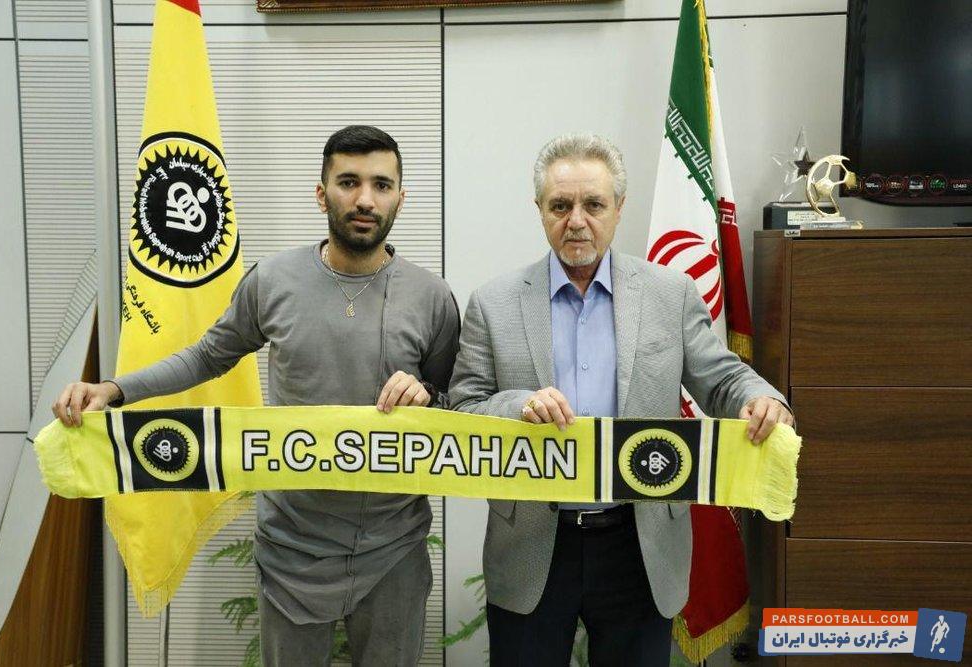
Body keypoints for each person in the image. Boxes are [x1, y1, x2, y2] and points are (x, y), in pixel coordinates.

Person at [52, 125, 461, 666]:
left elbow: (456, 402)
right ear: (322, 194)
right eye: (349, 182)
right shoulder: (272, 280)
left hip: (394, 547)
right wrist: (114, 388)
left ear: (400, 199)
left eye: (381, 185)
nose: (365, 199)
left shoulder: (433, 297)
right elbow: (207, 356)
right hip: (293, 545)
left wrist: (427, 394)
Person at [448, 133, 794, 666]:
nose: (576, 221)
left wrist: (760, 397)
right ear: (539, 209)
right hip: (534, 544)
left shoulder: (669, 294)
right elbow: (464, 408)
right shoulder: (493, 304)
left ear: (619, 208)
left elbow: (722, 378)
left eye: (593, 204)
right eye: (560, 206)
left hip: (641, 543)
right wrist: (517, 407)